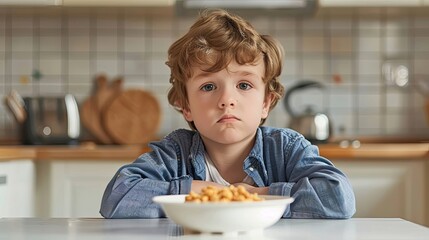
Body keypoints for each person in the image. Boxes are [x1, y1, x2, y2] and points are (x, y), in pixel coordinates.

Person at [100, 9, 356, 219]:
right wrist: (194, 191)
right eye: (208, 87)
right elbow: (116, 197)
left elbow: (338, 197)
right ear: (185, 105)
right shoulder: (174, 155)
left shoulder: (286, 149)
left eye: (244, 85)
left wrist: (258, 195)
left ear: (266, 102)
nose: (226, 100)